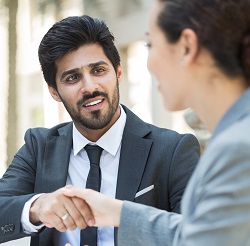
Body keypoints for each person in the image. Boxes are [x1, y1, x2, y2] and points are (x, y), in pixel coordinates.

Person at [0, 15, 200, 246]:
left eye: (98, 70)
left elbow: (196, 236)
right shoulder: (39, 146)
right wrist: (38, 207)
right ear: (54, 91)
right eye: (73, 77)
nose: (90, 87)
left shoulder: (173, 150)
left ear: (118, 72)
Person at [62, 0, 250, 245]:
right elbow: (200, 232)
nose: (149, 63)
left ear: (186, 47)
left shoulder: (237, 149)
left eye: (151, 44)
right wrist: (117, 212)